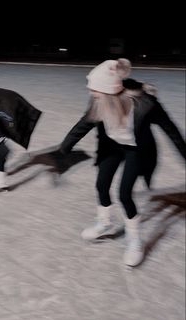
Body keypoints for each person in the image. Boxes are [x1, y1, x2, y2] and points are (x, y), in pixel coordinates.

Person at [58, 59, 186, 266]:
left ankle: (134, 240)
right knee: (101, 185)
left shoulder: (145, 104)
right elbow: (84, 123)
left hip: (136, 150)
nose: (91, 93)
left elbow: (171, 130)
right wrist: (64, 148)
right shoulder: (99, 101)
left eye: (95, 90)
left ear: (110, 92)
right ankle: (105, 223)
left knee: (124, 194)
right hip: (112, 148)